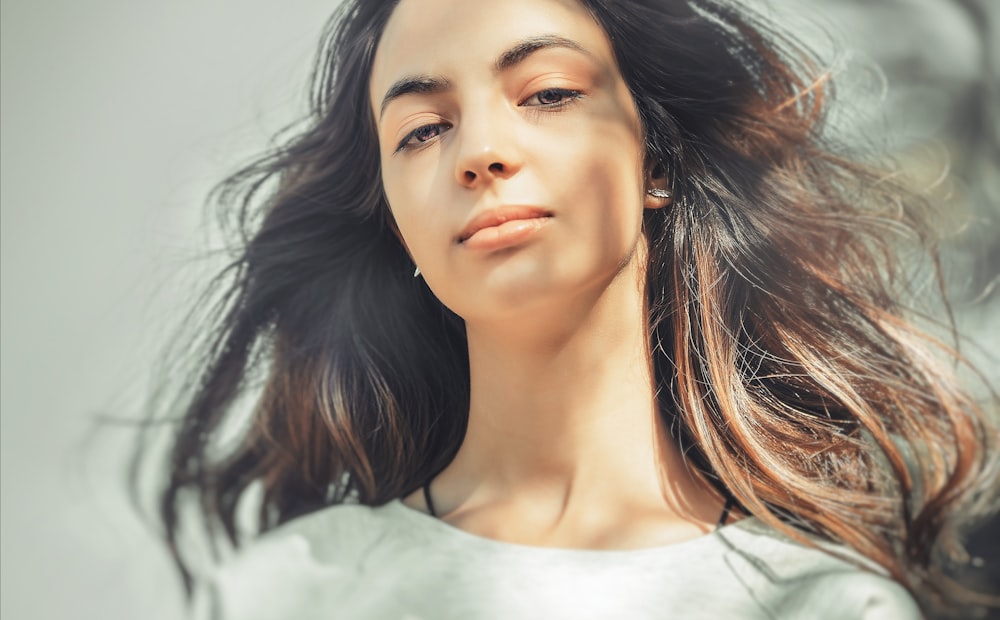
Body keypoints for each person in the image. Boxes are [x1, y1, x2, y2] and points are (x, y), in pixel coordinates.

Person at [140, 0, 998, 618]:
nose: (480, 151)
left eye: (547, 93)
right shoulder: (285, 594)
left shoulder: (824, 609)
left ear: (655, 161)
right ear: (398, 224)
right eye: (422, 130)